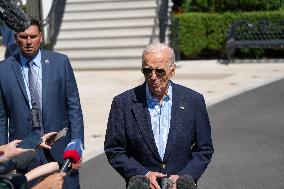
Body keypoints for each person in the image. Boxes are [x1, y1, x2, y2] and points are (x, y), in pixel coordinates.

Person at [104, 43, 214, 189]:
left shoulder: (193, 100)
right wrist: (144, 174)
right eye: (147, 70)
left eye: (160, 71)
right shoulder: (123, 103)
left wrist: (184, 177)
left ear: (172, 70)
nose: (153, 77)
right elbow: (114, 150)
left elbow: (204, 149)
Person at [0, 17, 84, 189]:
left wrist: (77, 145)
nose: (29, 42)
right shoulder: (3, 69)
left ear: (41, 37)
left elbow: (74, 107)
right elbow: (1, 119)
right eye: (24, 37)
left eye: (33, 36)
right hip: (25, 153)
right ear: (16, 38)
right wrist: (3, 156)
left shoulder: (60, 62)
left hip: (61, 150)